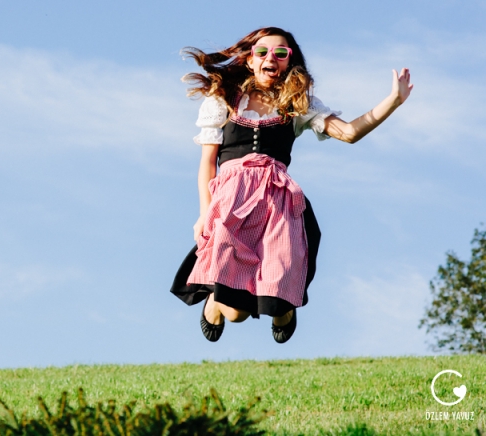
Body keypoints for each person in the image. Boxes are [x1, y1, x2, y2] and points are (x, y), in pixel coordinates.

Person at [170, 27, 413, 344]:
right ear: (249, 60)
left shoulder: (298, 104)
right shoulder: (223, 100)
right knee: (237, 313)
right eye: (263, 52)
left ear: (289, 62)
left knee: (280, 284)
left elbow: (350, 132)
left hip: (276, 202)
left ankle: (285, 308)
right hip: (231, 203)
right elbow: (207, 163)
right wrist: (204, 214)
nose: (271, 57)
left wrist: (393, 101)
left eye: (280, 53)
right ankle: (214, 305)